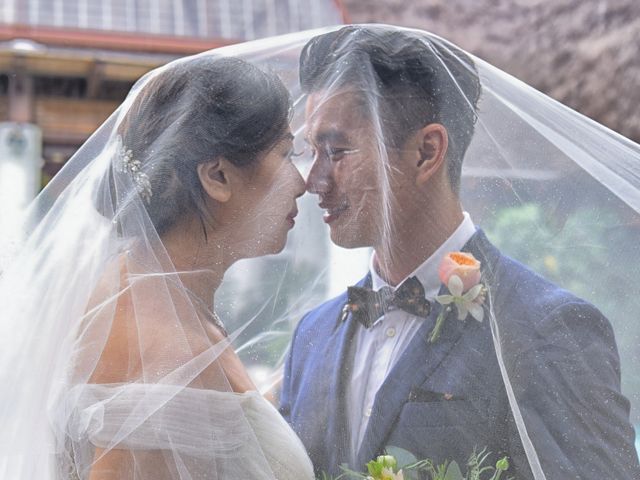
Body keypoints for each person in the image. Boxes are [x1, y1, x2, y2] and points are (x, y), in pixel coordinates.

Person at [280, 25, 640, 479]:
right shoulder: (312, 335)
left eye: (336, 151)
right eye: (312, 151)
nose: (314, 181)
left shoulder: (549, 330)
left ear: (427, 152)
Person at [0, 56, 313, 479]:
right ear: (217, 176)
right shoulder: (167, 351)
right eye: (285, 152)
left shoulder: (131, 291)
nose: (302, 181)